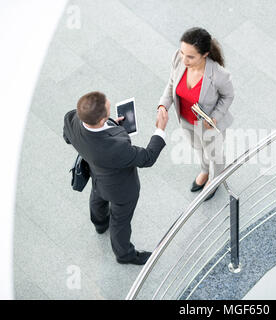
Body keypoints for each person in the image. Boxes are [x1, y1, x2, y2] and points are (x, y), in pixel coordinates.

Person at [63, 91, 168, 265]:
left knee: (97, 197)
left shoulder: (72, 118)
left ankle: (100, 224)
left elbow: (68, 137)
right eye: (108, 111)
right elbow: (147, 158)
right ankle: (124, 255)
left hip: (97, 175)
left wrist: (111, 125)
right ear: (102, 120)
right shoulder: (115, 148)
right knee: (120, 222)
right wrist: (160, 129)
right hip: (121, 190)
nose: (110, 109)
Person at [158, 27, 234, 201]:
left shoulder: (218, 75)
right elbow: (172, 84)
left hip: (208, 124)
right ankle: (205, 171)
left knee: (214, 153)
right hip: (186, 120)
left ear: (205, 54)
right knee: (198, 148)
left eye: (190, 56)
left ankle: (215, 179)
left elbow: (228, 95)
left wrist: (215, 116)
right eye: (183, 52)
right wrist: (163, 105)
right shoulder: (178, 58)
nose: (184, 59)